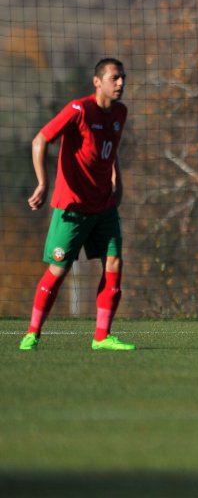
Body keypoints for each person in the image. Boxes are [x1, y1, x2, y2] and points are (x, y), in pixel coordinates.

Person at [19, 58, 134, 351]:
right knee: (59, 270)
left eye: (122, 77)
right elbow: (39, 140)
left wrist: (116, 183)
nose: (120, 83)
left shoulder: (120, 112)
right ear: (97, 82)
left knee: (114, 263)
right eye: (114, 78)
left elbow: (111, 153)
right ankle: (33, 333)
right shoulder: (78, 110)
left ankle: (102, 336)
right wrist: (43, 183)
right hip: (71, 208)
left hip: (104, 207)